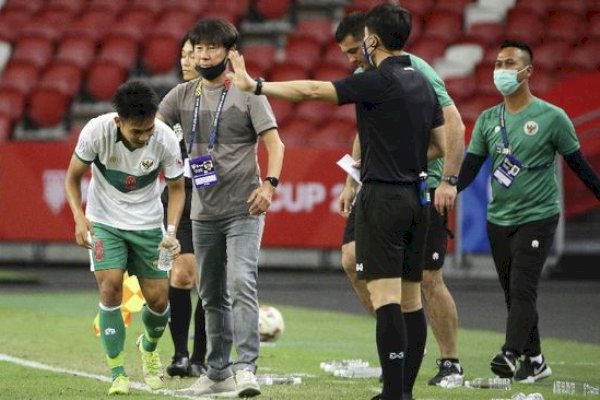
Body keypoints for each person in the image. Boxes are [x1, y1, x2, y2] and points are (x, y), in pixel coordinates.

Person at [228, 4, 445, 399]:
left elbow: (313, 90)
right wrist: (401, 156)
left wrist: (255, 86)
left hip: (382, 197)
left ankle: (393, 393)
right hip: (418, 196)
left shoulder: (377, 80)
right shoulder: (424, 82)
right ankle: (405, 393)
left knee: (386, 298)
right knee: (412, 299)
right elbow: (438, 146)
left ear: (372, 39)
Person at [334, 11, 466, 387]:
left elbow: (453, 123)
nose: (350, 60)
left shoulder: (416, 70)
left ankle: (450, 360)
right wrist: (350, 181)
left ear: (369, 38)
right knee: (350, 257)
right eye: (344, 54)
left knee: (428, 278)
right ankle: (398, 345)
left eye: (351, 50)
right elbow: (367, 128)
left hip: (423, 183)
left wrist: (450, 181)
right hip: (378, 182)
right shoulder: (367, 75)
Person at [457, 40, 600, 383]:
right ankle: (535, 360)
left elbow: (579, 166)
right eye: (498, 63)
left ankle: (510, 354)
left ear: (527, 71)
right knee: (512, 292)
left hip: (539, 216)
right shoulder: (488, 120)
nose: (500, 70)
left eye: (509, 63)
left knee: (523, 287)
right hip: (498, 218)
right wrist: (445, 190)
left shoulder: (553, 118)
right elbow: (471, 168)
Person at [158, 19, 284, 398]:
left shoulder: (248, 92)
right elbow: (151, 130)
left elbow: (276, 145)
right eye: (197, 48)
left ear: (230, 53)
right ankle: (216, 372)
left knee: (241, 282)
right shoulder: (182, 95)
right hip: (203, 212)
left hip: (244, 207)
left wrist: (270, 184)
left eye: (211, 47)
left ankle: (245, 368)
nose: (202, 54)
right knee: (210, 294)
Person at [64, 80, 185, 395]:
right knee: (111, 287)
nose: (145, 136)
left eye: (149, 129)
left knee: (159, 301)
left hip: (148, 226)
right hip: (105, 222)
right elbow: (72, 178)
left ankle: (148, 346)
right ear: (118, 121)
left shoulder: (165, 138)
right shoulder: (96, 132)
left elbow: (176, 188)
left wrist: (171, 233)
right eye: (137, 132)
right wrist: (79, 217)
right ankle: (117, 372)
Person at [162, 33, 207, 379]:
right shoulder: (174, 99)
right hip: (180, 195)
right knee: (181, 274)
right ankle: (180, 355)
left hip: (213, 195)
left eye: (192, 55)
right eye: (183, 55)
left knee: (209, 281)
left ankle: (202, 356)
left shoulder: (221, 98)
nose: (185, 61)